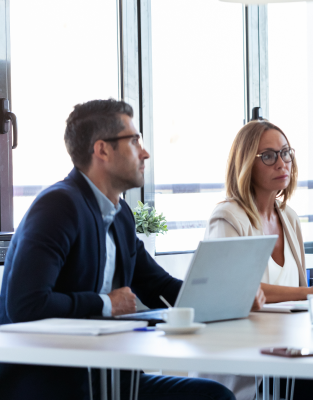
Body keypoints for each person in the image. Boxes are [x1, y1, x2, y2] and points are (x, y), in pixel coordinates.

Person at [0, 99, 234, 400]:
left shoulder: (120, 215)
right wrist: (106, 304)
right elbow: (25, 305)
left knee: (213, 395)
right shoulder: (58, 206)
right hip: (52, 382)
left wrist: (227, 300)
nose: (145, 153)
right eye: (134, 141)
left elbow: (158, 286)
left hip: (108, 375)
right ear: (102, 150)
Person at [195, 119, 313, 400]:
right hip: (248, 362)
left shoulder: (289, 217)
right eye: (268, 156)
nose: (281, 163)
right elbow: (236, 292)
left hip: (287, 353)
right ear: (246, 163)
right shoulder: (228, 217)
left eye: (285, 153)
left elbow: (300, 301)